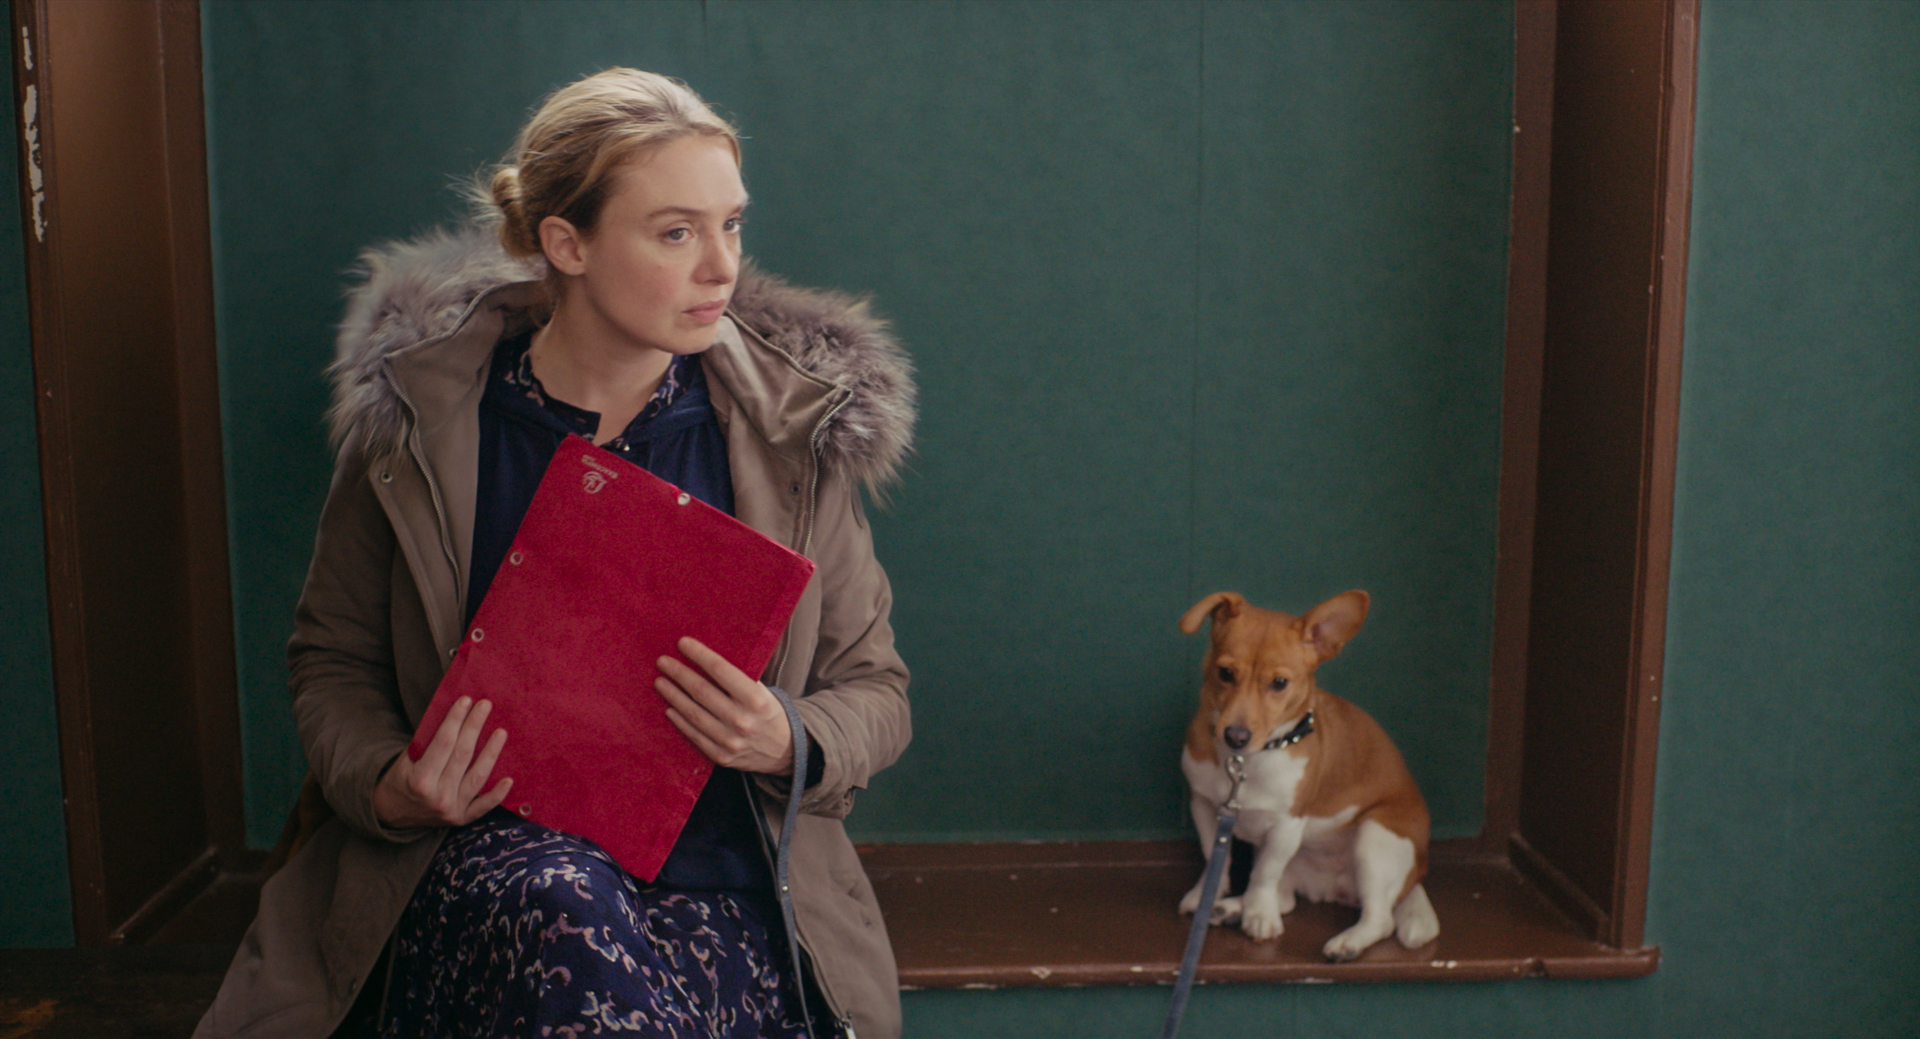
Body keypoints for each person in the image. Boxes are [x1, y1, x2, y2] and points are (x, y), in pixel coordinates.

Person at [195, 69, 915, 1039]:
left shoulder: (787, 440)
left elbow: (875, 688)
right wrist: (391, 782)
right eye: (676, 232)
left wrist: (786, 735)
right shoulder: (422, 426)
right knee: (557, 902)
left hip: (728, 893)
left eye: (732, 225)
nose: (721, 267)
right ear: (566, 244)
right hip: (485, 876)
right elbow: (332, 660)